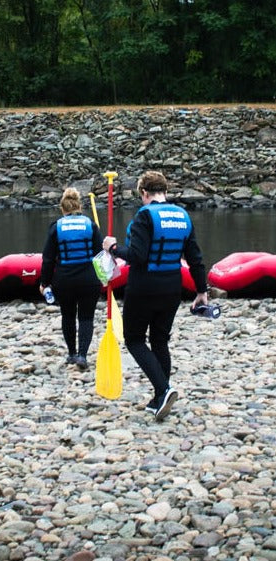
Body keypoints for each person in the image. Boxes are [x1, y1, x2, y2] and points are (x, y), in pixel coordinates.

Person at [102, 170, 208, 421]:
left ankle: (164, 389)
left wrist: (113, 248)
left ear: (144, 193)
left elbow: (137, 256)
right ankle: (159, 397)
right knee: (160, 340)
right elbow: (195, 258)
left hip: (144, 286)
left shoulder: (144, 216)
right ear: (166, 191)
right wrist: (202, 291)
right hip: (172, 286)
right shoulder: (183, 216)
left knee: (135, 339)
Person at [39, 187, 103, 370]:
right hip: (89, 279)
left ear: (63, 208)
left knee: (68, 315)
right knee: (86, 318)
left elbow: (48, 258)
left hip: (64, 279)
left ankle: (71, 353)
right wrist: (105, 277)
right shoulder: (91, 225)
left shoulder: (56, 227)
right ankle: (83, 356)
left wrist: (44, 282)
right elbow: (100, 254)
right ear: (79, 206)